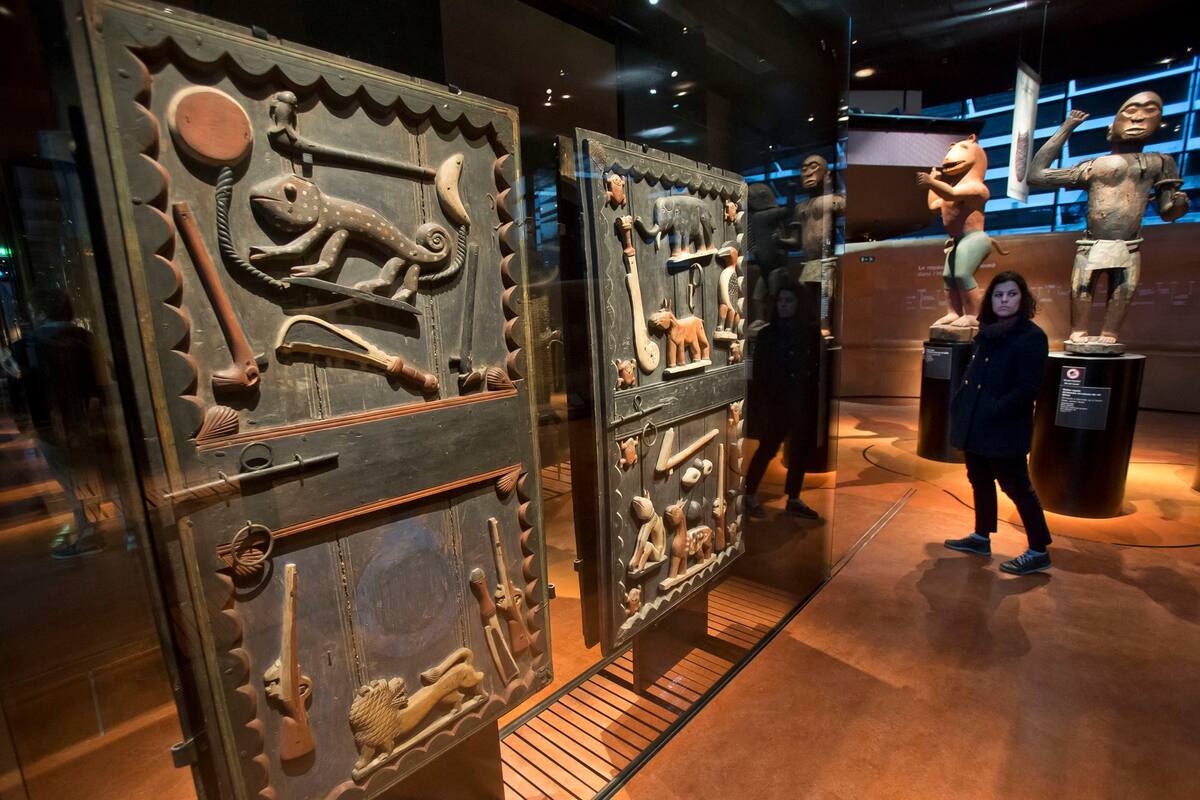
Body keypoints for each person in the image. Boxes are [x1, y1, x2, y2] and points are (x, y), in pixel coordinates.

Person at [944, 271, 1053, 574]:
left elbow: (1028, 388)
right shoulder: (987, 332)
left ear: (1022, 298)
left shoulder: (1031, 337)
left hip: (1004, 428)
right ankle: (981, 536)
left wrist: (995, 409)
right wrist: (962, 403)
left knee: (1017, 487)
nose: (1004, 300)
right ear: (990, 300)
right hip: (975, 424)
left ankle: (1038, 549)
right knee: (979, 480)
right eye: (998, 294)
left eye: (1011, 294)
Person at [743, 282, 821, 519]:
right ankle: (749, 493)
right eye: (781, 301)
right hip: (776, 402)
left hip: (800, 400)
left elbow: (814, 369)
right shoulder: (768, 334)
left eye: (789, 301)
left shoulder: (808, 333)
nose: (784, 305)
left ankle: (794, 497)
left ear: (798, 304)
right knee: (767, 448)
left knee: (799, 450)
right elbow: (759, 373)